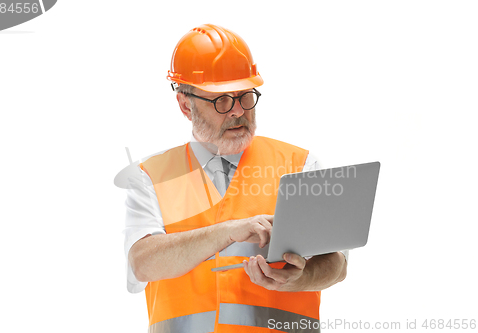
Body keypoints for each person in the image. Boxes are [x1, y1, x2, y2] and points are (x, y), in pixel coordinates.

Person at [123, 24, 348, 333]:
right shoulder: (151, 176)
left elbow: (337, 265)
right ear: (185, 104)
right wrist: (228, 231)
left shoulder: (300, 165)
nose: (238, 111)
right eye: (222, 100)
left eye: (245, 96)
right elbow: (143, 263)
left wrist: (302, 276)